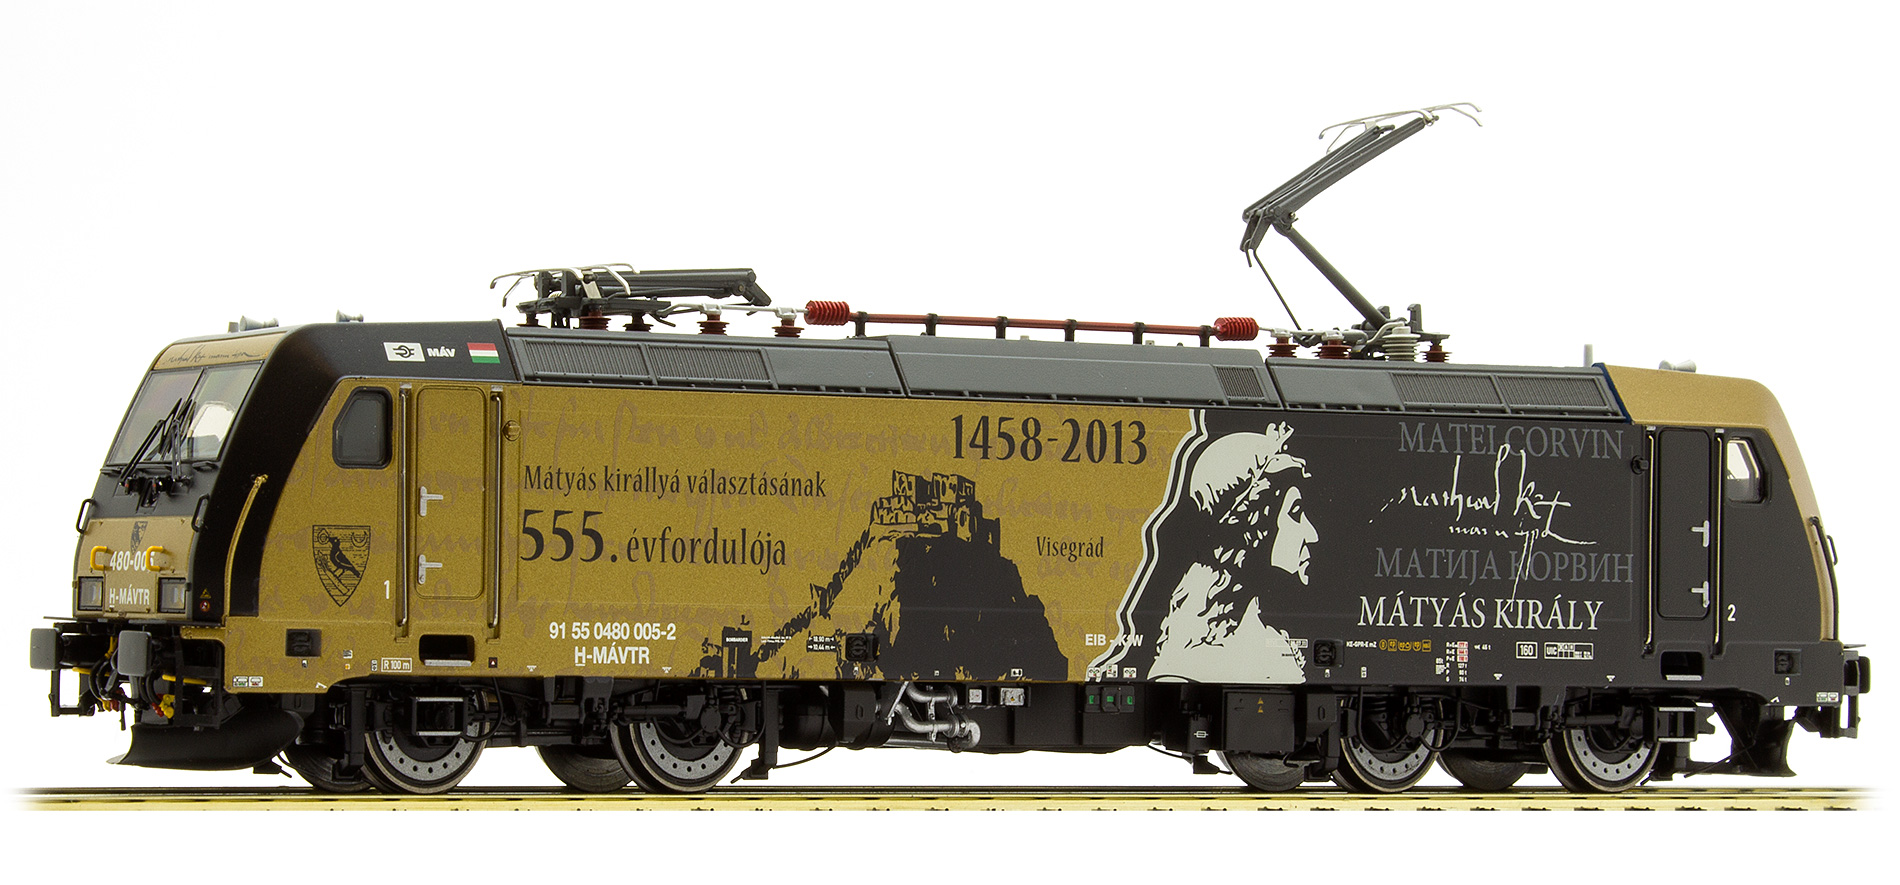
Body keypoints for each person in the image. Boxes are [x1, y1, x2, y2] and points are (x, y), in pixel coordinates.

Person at [1093, 420, 1315, 684]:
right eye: (1295, 512)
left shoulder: (1255, 637)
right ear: (1254, 529)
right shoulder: (1187, 665)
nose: (1312, 534)